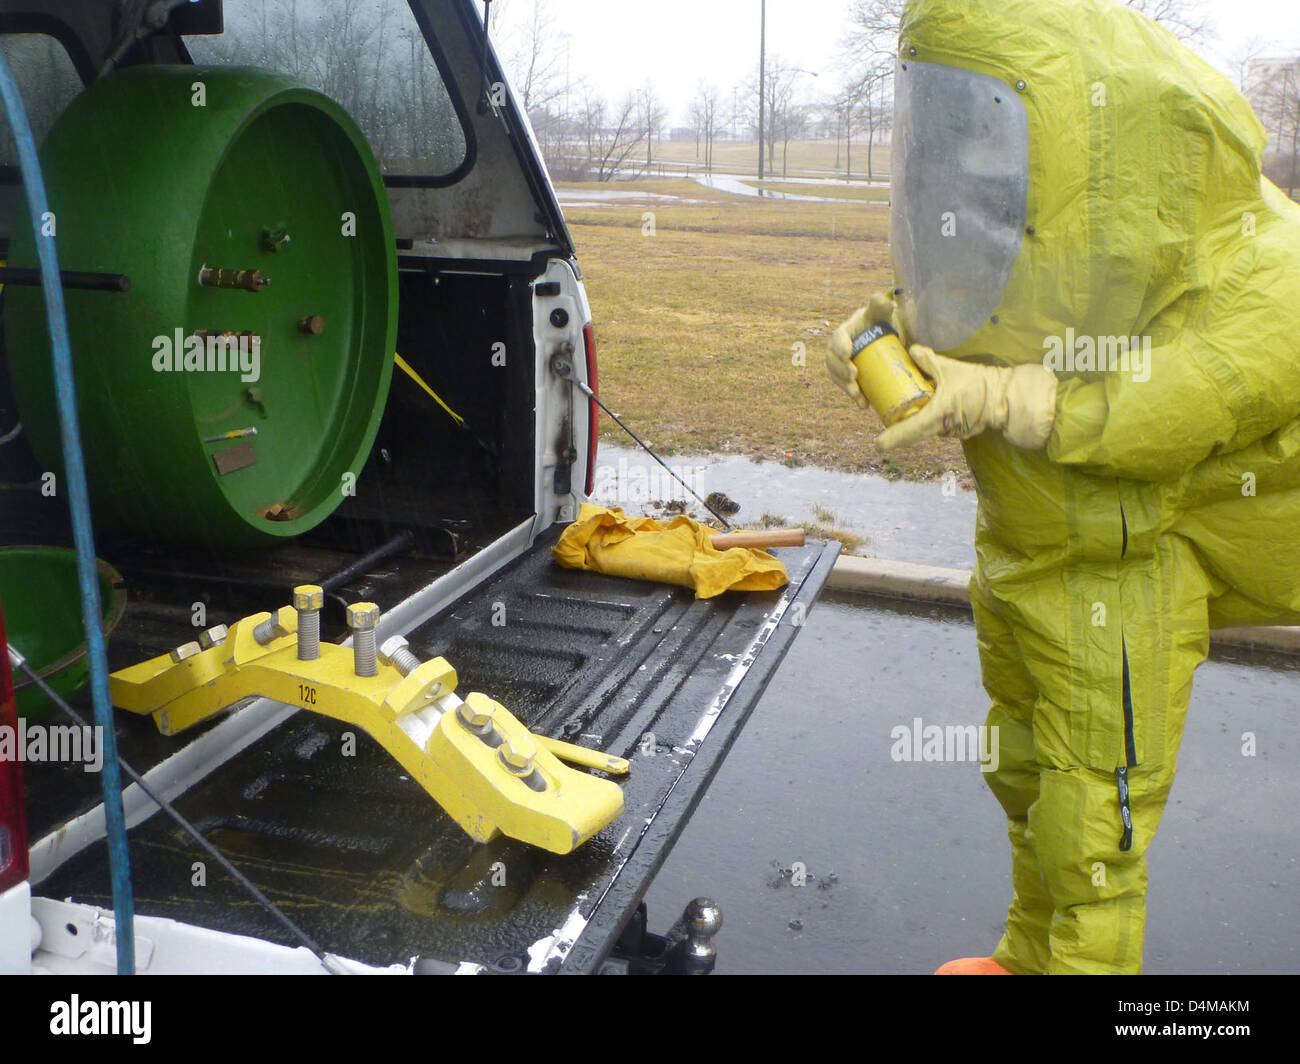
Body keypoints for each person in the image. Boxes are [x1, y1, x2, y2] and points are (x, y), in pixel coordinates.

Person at [827, 0, 1300, 974]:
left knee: (1094, 817)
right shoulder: (1036, 216)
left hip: (1124, 563)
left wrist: (1006, 398)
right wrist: (880, 329)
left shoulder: (1267, 278)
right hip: (1028, 547)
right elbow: (970, 281)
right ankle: (1022, 952)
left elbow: (1171, 405)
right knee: (1022, 763)